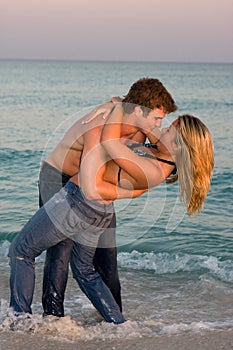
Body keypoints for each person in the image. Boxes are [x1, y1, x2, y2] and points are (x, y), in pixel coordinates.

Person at [8, 101, 214, 324]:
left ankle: (20, 320)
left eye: (169, 130)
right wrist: (118, 103)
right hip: (97, 210)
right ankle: (117, 322)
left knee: (21, 251)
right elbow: (147, 129)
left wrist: (117, 107)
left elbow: (108, 142)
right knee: (84, 271)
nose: (161, 130)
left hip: (77, 203)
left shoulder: (152, 168)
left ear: (178, 147)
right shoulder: (162, 157)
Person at [38, 78, 177, 317]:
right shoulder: (102, 121)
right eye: (156, 118)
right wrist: (112, 104)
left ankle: (114, 318)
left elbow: (168, 151)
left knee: (107, 252)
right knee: (61, 250)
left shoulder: (142, 127)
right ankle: (53, 316)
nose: (159, 125)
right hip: (59, 177)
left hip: (94, 185)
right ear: (138, 110)